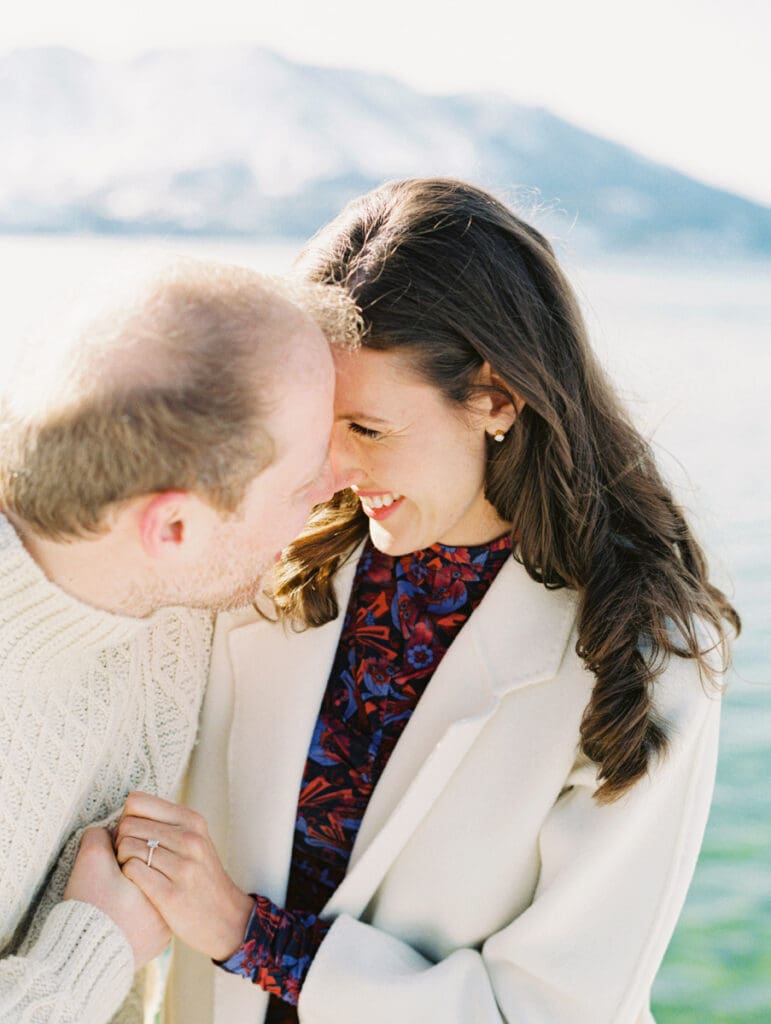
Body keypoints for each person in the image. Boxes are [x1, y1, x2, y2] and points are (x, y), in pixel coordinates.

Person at [117, 179, 739, 1024]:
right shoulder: (256, 560)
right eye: (319, 424)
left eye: (367, 429)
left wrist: (245, 934)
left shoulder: (641, 655)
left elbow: (552, 1009)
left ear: (495, 396)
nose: (332, 470)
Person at [0, 259, 355, 1024]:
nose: (337, 480)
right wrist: (87, 956)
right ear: (175, 527)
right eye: (303, 484)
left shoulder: (166, 584)